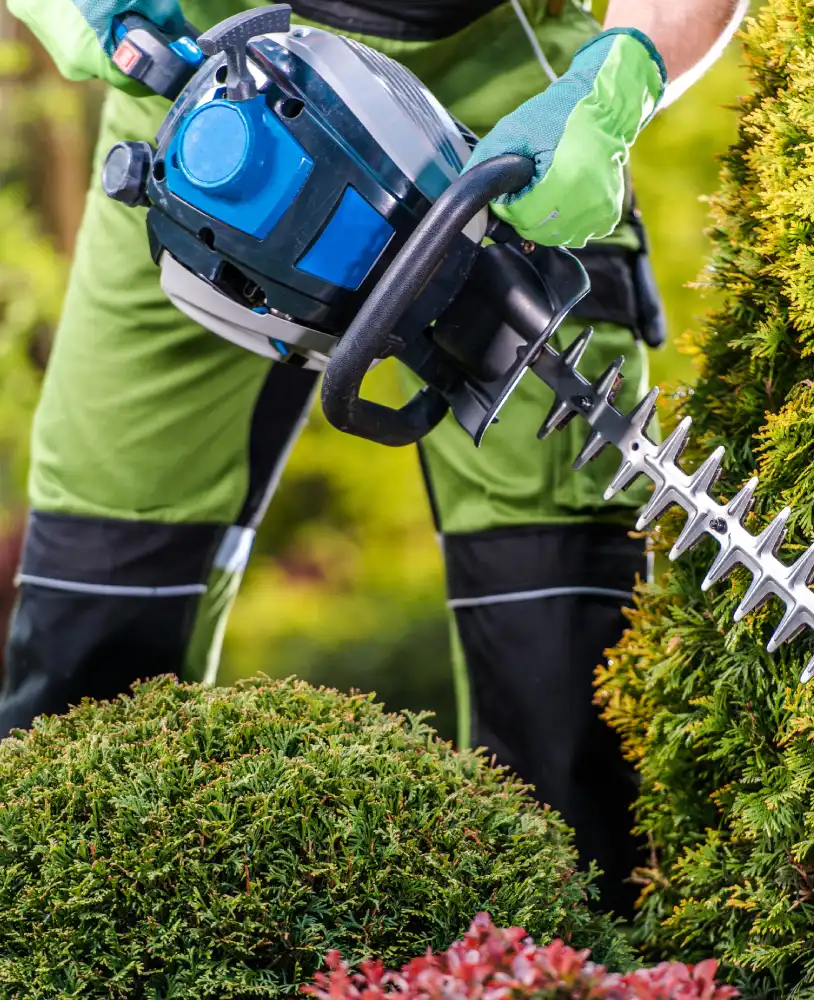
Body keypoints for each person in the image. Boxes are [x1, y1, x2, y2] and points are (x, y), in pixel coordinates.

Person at [1, 0, 745, 917]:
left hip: (500, 99)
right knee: (88, 629)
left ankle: (579, 967)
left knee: (570, 676)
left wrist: (623, 71)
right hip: (200, 103)